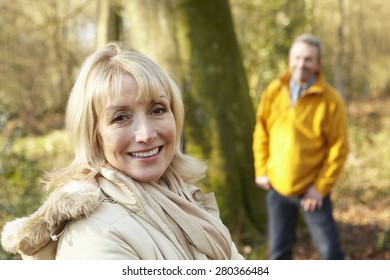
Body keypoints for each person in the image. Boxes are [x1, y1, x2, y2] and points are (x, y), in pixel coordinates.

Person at [1, 43, 243, 260]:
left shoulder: (183, 198)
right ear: (93, 135)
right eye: (120, 117)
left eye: (157, 109)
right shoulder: (94, 233)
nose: (146, 134)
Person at [252, 34, 349, 260]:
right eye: (297, 58)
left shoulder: (331, 100)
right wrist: (261, 170)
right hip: (277, 189)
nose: (301, 64)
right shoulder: (274, 91)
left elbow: (339, 148)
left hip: (312, 192)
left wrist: (320, 188)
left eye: (307, 59)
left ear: (318, 63)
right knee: (278, 254)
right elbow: (261, 131)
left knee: (331, 253)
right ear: (289, 59)